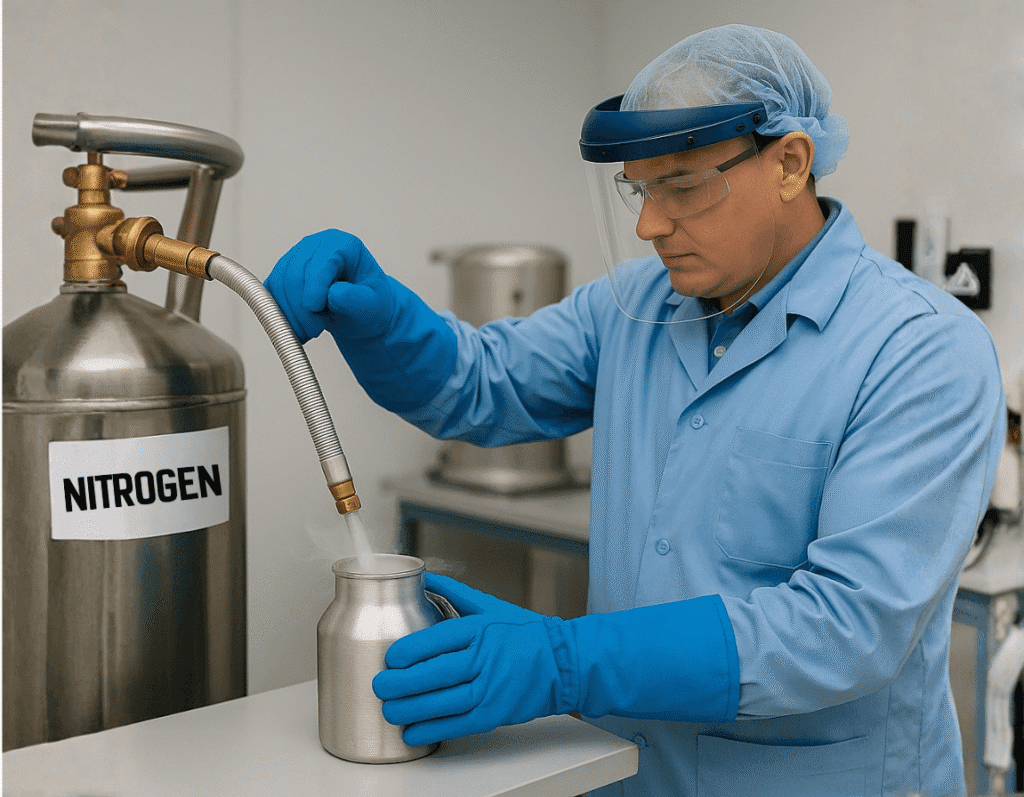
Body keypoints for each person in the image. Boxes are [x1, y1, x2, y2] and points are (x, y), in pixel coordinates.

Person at [266, 24, 1005, 797]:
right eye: (640, 190)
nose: (651, 225)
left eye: (681, 187)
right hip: (630, 773)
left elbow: (846, 627)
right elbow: (485, 383)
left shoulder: (918, 349)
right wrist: (385, 323)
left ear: (790, 162)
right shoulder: (638, 306)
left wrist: (567, 659)